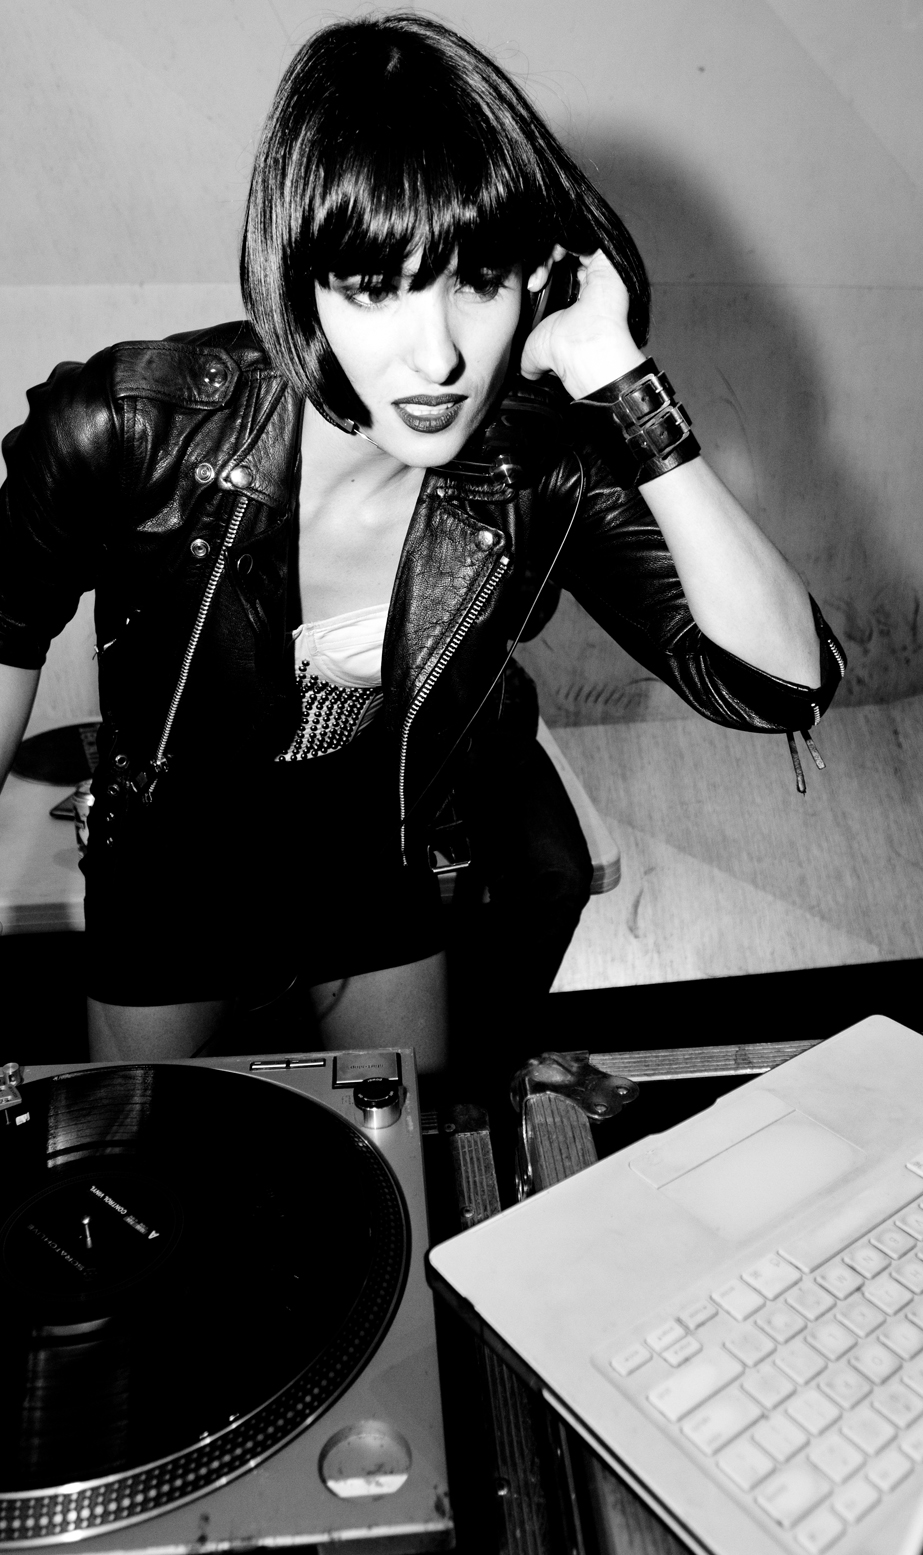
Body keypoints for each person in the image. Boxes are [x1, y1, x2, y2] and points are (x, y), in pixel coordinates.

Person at [0, 13, 844, 1073]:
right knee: (157, 1157)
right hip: (172, 880)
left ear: (536, 278)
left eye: (476, 281)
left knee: (398, 1156)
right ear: (298, 281)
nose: (435, 354)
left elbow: (780, 685)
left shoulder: (536, 469)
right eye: (372, 288)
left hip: (372, 865)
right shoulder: (130, 432)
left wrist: (621, 382)